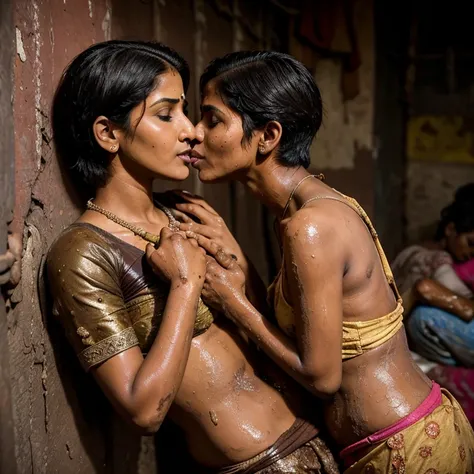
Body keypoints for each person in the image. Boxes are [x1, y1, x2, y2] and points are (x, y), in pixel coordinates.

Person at [174, 51, 474, 472]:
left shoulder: (309, 226)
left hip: (403, 449)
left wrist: (231, 301)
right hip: (397, 435)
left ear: (268, 135)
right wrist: (241, 264)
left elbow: (321, 376)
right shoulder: (308, 208)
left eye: (212, 119)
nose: (194, 133)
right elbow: (301, 332)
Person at [47, 40, 339, 474]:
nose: (191, 130)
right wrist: (185, 286)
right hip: (255, 466)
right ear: (108, 133)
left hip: (311, 440)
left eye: (188, 112)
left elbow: (261, 334)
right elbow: (144, 412)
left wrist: (239, 266)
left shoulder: (183, 210)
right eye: (167, 115)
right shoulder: (84, 253)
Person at [391, 183, 474, 367]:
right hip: (400, 328)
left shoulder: (409, 251)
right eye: (470, 242)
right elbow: (460, 300)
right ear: (450, 229)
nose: (471, 252)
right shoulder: (438, 260)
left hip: (392, 325)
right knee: (424, 317)